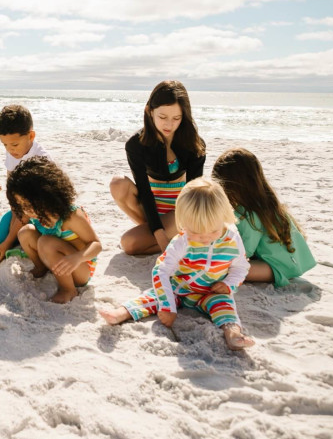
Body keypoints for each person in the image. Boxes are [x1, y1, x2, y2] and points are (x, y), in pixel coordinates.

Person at [99, 178, 255, 351]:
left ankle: (233, 335)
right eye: (195, 231)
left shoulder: (232, 239)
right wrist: (168, 306)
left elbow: (241, 267)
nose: (204, 238)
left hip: (211, 291)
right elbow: (161, 271)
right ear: (183, 222)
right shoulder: (182, 241)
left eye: (213, 231)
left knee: (225, 307)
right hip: (179, 288)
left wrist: (228, 284)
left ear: (224, 218)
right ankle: (122, 313)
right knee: (152, 297)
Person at [110, 80, 206, 255]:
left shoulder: (195, 145)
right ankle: (166, 237)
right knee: (117, 183)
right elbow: (144, 191)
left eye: (176, 118)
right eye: (162, 117)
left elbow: (193, 193)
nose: (169, 125)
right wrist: (159, 234)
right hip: (149, 210)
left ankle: (173, 236)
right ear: (150, 111)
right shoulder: (135, 145)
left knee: (129, 243)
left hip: (180, 210)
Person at [212, 147, 316, 286]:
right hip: (295, 261)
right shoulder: (267, 203)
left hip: (277, 267)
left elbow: (244, 251)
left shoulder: (248, 213)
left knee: (227, 269)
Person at [7, 157, 102, 304]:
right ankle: (41, 267)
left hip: (79, 268)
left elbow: (96, 245)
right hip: (57, 260)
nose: (25, 209)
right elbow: (20, 226)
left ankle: (68, 289)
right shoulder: (36, 214)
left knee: (46, 242)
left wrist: (76, 258)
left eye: (28, 204)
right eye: (21, 205)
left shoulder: (71, 216)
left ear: (46, 195)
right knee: (25, 232)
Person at [0, 105, 52, 263]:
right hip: (21, 210)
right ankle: (17, 237)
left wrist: (7, 242)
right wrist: (14, 213)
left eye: (14, 145)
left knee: (19, 239)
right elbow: (13, 193)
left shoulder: (41, 161)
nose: (10, 150)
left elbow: (28, 210)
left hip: (41, 215)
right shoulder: (13, 152)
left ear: (31, 136)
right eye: (4, 145)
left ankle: (20, 239)